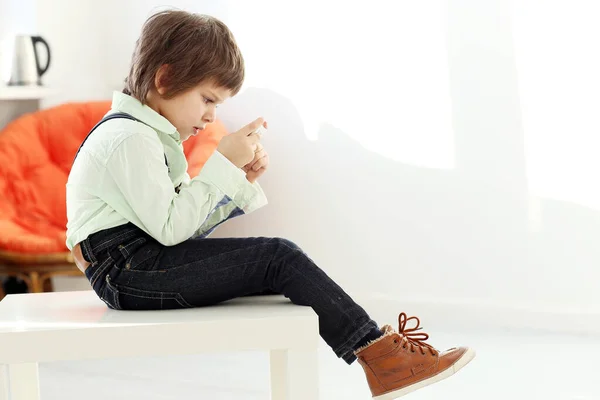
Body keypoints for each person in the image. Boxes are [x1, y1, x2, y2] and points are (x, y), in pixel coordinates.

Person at [66, 10, 475, 399]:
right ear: (166, 78)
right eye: (208, 99)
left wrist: (236, 180)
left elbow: (182, 228)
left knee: (278, 263)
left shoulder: (146, 135)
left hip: (133, 262)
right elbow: (173, 231)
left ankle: (382, 358)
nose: (210, 117)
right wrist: (221, 164)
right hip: (127, 268)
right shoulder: (131, 138)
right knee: (278, 257)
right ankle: (382, 357)